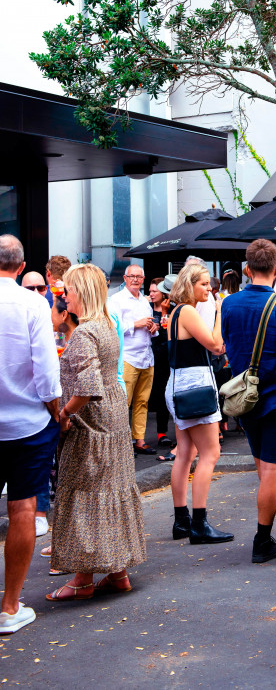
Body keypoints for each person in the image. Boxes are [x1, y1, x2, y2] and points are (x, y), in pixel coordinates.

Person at [47, 263, 146, 600]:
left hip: (93, 421)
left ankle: (82, 579)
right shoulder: (105, 323)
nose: (64, 295)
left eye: (69, 289)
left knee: (86, 491)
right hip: (113, 414)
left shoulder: (87, 331)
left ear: (83, 292)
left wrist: (63, 412)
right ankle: (118, 573)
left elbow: (86, 387)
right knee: (110, 486)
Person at [221, 239, 276, 564]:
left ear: (247, 269)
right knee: (272, 467)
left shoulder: (229, 305)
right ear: (275, 269)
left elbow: (228, 347)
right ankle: (261, 541)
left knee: (264, 463)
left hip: (243, 398)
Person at [0, 236, 61, 634]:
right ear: (22, 268)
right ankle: (8, 607)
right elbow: (45, 369)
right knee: (23, 509)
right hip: (26, 423)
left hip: (21, 422)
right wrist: (55, 411)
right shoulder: (33, 303)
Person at [165, 263, 234, 545]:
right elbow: (217, 346)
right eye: (204, 284)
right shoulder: (188, 311)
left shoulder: (176, 312)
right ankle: (199, 523)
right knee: (210, 453)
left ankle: (182, 521)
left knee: (185, 452)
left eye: (210, 284)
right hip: (193, 386)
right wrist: (220, 311)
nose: (210, 289)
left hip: (179, 384)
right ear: (189, 285)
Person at [33, 294, 80, 540]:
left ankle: (65, 536)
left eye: (53, 309)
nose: (50, 314)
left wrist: (63, 413)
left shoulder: (77, 340)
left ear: (64, 315)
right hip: (60, 412)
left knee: (65, 474)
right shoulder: (57, 337)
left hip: (68, 414)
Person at [109, 264, 157, 454]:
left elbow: (149, 325)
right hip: (128, 357)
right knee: (124, 402)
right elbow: (113, 326)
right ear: (125, 278)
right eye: (132, 276)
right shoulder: (116, 300)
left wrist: (154, 328)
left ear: (143, 279)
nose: (135, 279)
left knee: (142, 401)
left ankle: (139, 440)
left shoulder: (145, 302)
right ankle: (121, 442)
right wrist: (136, 324)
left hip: (146, 355)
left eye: (139, 277)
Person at [148, 277, 173, 450]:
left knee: (165, 394)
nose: (151, 294)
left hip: (167, 357)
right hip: (150, 356)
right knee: (151, 396)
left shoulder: (171, 309)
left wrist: (164, 313)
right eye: (149, 291)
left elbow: (169, 334)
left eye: (154, 291)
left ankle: (162, 433)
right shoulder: (146, 309)